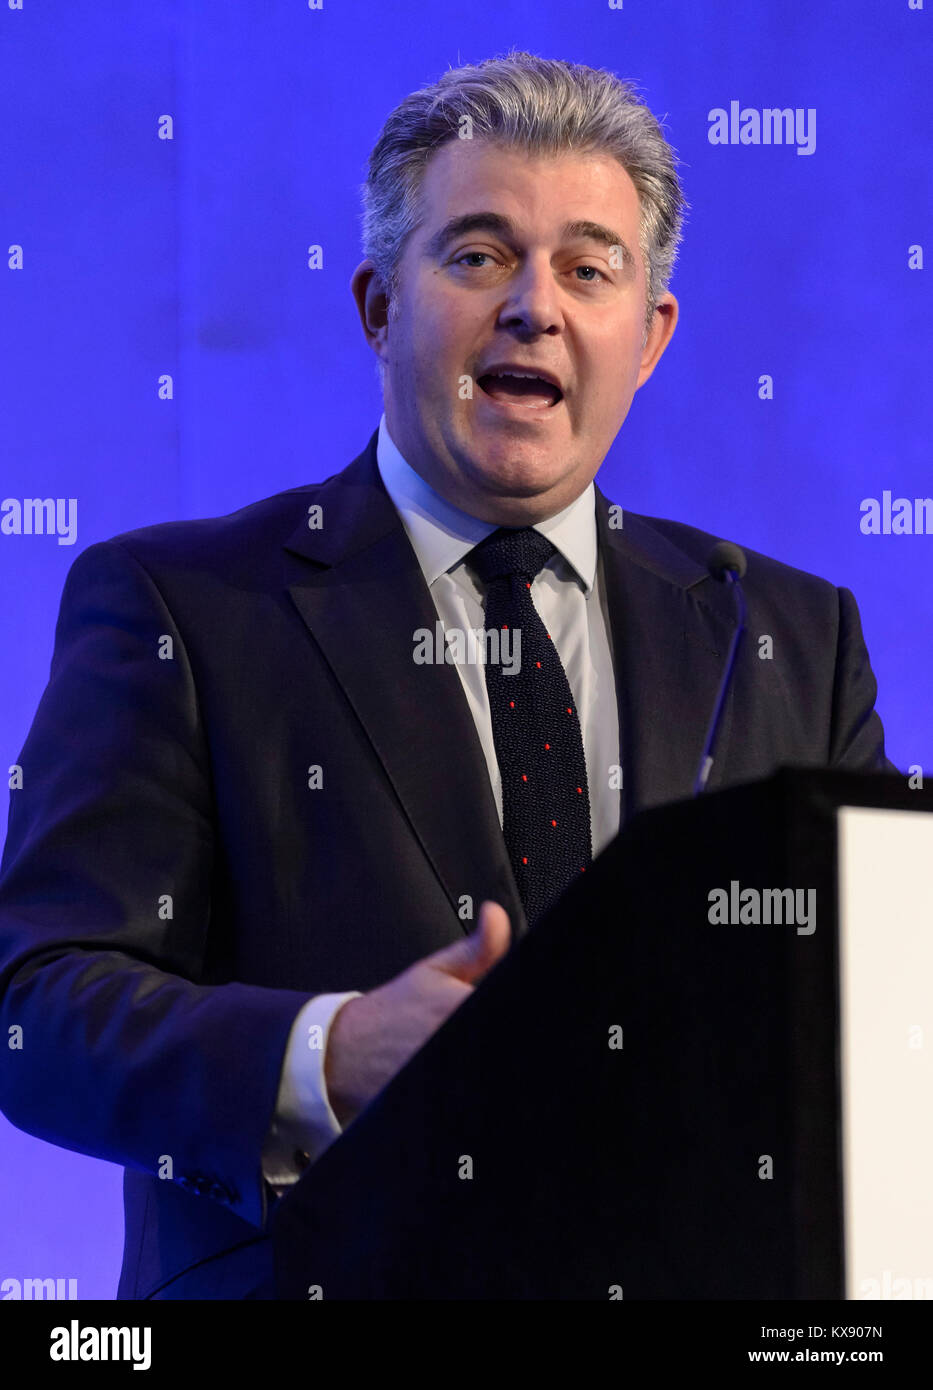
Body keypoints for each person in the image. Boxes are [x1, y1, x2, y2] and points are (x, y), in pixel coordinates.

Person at [0, 50, 897, 1300]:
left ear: (649, 335)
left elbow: (874, 1039)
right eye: (479, 256)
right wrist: (328, 1055)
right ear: (378, 305)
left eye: (591, 268)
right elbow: (40, 1012)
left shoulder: (793, 635)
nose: (536, 305)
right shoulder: (181, 608)